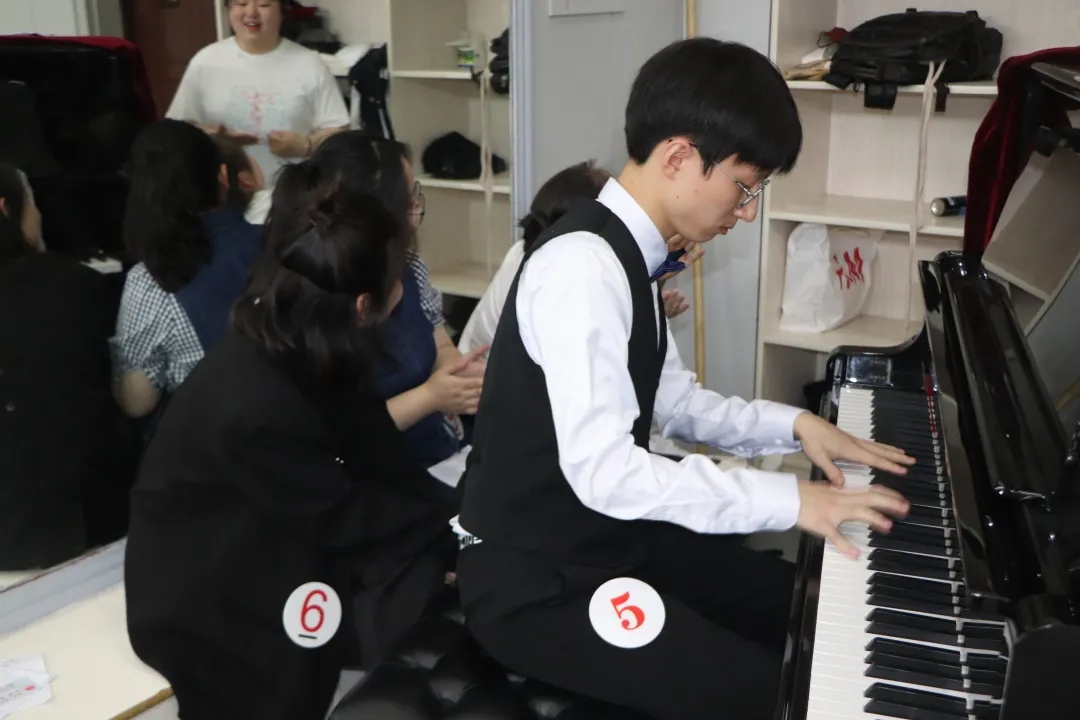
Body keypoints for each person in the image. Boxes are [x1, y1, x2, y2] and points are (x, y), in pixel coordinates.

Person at [454, 39, 914, 719]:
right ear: (678, 158)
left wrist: (796, 425)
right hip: (535, 580)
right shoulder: (583, 267)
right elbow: (607, 473)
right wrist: (793, 500)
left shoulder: (631, 253)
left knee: (803, 606)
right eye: (745, 185)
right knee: (774, 695)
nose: (748, 210)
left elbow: (673, 402)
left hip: (604, 537)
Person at [124, 177, 458, 720]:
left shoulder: (303, 330)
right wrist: (457, 529)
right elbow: (341, 512)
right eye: (397, 282)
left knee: (423, 555)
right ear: (363, 304)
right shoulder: (257, 400)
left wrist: (460, 523)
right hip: (207, 579)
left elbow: (370, 443)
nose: (404, 293)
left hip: (276, 519)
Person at [268, 131, 483, 471]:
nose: (417, 210)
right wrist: (430, 397)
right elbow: (339, 435)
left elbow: (440, 343)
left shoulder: (410, 266)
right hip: (378, 472)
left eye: (416, 195)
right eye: (406, 202)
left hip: (440, 448)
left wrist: (459, 374)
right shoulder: (316, 295)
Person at [0, 163, 137, 569]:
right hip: (80, 525)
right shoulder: (71, 285)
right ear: (6, 209)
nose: (39, 215)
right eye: (33, 204)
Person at [457, 160, 700, 356]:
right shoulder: (560, 272)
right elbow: (599, 350)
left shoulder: (549, 254)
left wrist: (653, 278)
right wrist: (648, 311)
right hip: (484, 390)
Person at [111, 120, 264, 423]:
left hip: (217, 437)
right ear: (223, 176)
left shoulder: (153, 281)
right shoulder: (281, 242)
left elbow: (137, 402)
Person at [167, 0, 350, 211]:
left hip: (295, 200)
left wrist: (306, 145)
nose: (251, 13)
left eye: (263, 4)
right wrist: (213, 136)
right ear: (229, 10)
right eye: (241, 3)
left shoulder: (309, 64)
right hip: (223, 201)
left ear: (282, 12)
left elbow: (340, 132)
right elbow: (175, 132)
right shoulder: (205, 62)